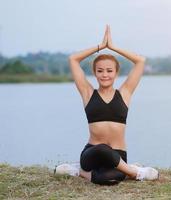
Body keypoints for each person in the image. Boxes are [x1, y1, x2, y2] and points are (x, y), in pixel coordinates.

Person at [54, 25, 159, 185]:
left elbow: (140, 61)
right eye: (100, 71)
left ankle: (78, 172)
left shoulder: (125, 93)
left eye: (109, 71)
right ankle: (136, 172)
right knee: (103, 148)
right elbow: (73, 59)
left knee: (110, 179)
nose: (105, 75)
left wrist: (113, 47)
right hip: (92, 153)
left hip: (118, 155)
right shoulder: (88, 93)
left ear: (116, 73)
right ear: (95, 73)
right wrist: (100, 47)